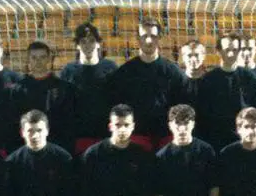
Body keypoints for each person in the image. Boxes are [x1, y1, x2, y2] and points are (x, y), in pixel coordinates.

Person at [107, 18, 186, 151]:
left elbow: (181, 105)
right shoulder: (124, 72)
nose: (149, 41)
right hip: (136, 135)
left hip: (166, 136)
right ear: (138, 38)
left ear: (159, 38)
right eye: (145, 36)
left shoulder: (174, 72)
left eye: (153, 36)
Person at [60, 23, 118, 156]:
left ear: (98, 44)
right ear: (77, 45)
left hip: (105, 135)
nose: (88, 45)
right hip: (79, 137)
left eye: (92, 41)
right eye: (83, 41)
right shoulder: (68, 71)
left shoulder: (111, 68)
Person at [196, 32, 256, 152]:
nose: (231, 54)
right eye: (227, 50)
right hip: (216, 138)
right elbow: (203, 113)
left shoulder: (251, 78)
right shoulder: (208, 79)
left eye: (235, 49)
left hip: (243, 138)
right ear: (218, 51)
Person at [12, 40, 77, 154]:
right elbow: (14, 124)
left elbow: (69, 124)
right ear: (28, 60)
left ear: (48, 59)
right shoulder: (17, 90)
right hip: (27, 150)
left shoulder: (64, 88)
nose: (38, 61)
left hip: (58, 149)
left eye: (42, 57)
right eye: (34, 58)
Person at [180, 39, 207, 108]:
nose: (193, 59)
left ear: (204, 56)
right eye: (189, 55)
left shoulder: (212, 81)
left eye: (197, 55)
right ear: (183, 57)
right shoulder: (176, 81)